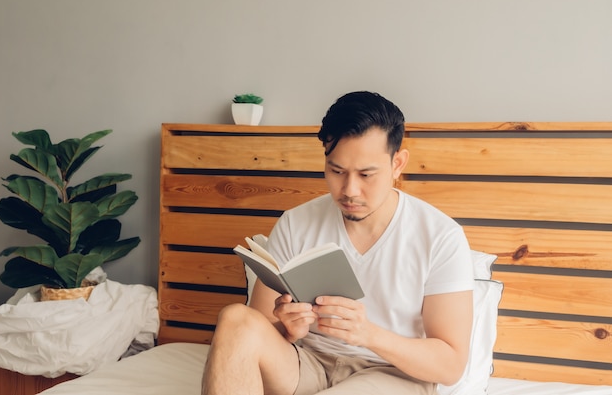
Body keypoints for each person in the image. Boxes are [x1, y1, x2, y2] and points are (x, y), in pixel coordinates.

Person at [201, 91, 474, 395]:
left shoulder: (439, 236)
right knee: (235, 319)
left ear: (398, 164)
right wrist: (288, 329)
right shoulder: (295, 222)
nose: (350, 190)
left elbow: (451, 366)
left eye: (366, 174)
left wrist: (368, 335)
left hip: (391, 374)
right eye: (337, 171)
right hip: (307, 364)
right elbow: (260, 326)